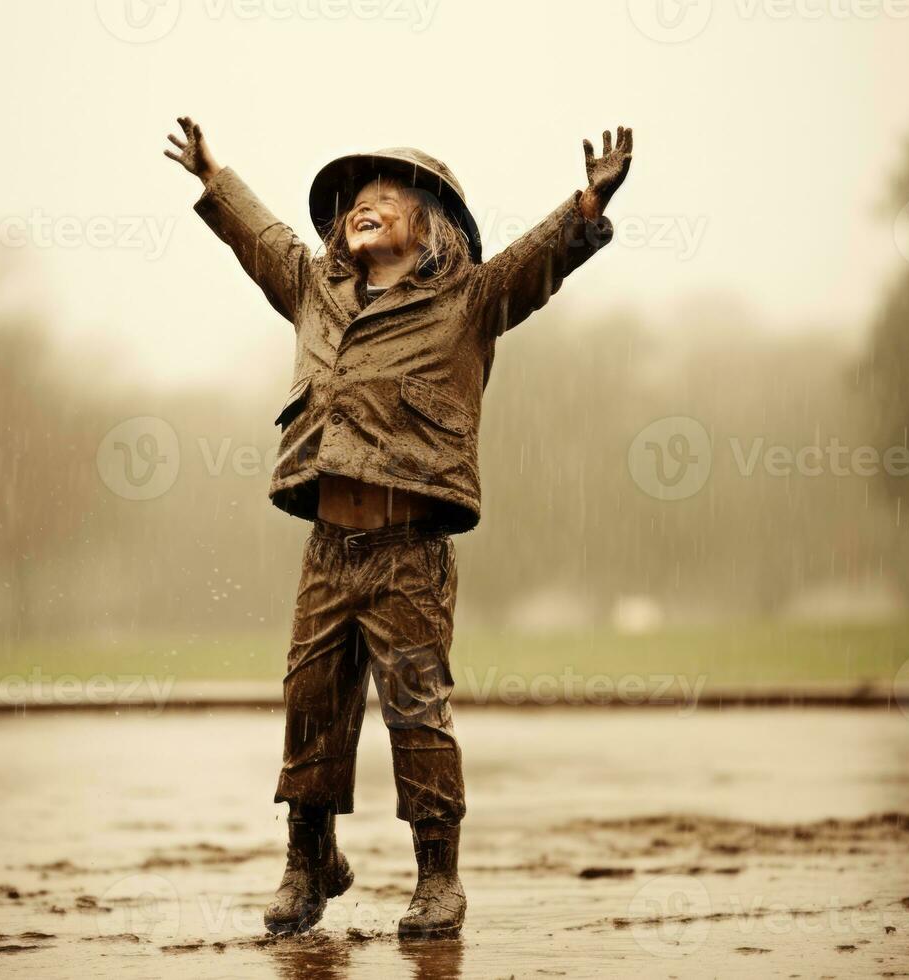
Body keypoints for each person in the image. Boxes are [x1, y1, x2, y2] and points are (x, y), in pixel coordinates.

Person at [164, 116, 632, 939]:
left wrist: (587, 202)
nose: (364, 206)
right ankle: (309, 862)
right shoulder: (315, 290)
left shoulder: (469, 299)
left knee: (415, 712)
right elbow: (261, 237)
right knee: (309, 705)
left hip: (410, 554)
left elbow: (536, 262)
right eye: (355, 201)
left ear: (431, 223)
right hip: (326, 551)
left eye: (388, 196)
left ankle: (437, 878)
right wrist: (214, 175)